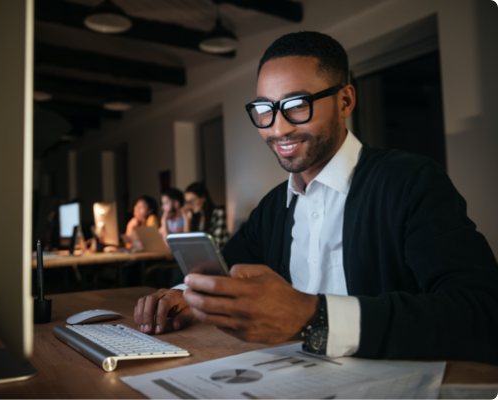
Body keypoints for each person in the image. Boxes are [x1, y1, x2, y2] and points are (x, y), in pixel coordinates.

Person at [133, 32, 498, 364]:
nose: (278, 128)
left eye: (296, 104)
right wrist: (186, 297)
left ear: (345, 100)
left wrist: (313, 316)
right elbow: (225, 270)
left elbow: (481, 312)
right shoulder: (274, 207)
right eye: (264, 110)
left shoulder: (410, 183)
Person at [183, 182, 229, 250]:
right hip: (202, 256)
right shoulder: (196, 217)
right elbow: (186, 244)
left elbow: (217, 244)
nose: (189, 205)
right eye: (187, 202)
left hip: (218, 257)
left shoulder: (218, 213)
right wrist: (187, 220)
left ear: (203, 198)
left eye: (192, 200)